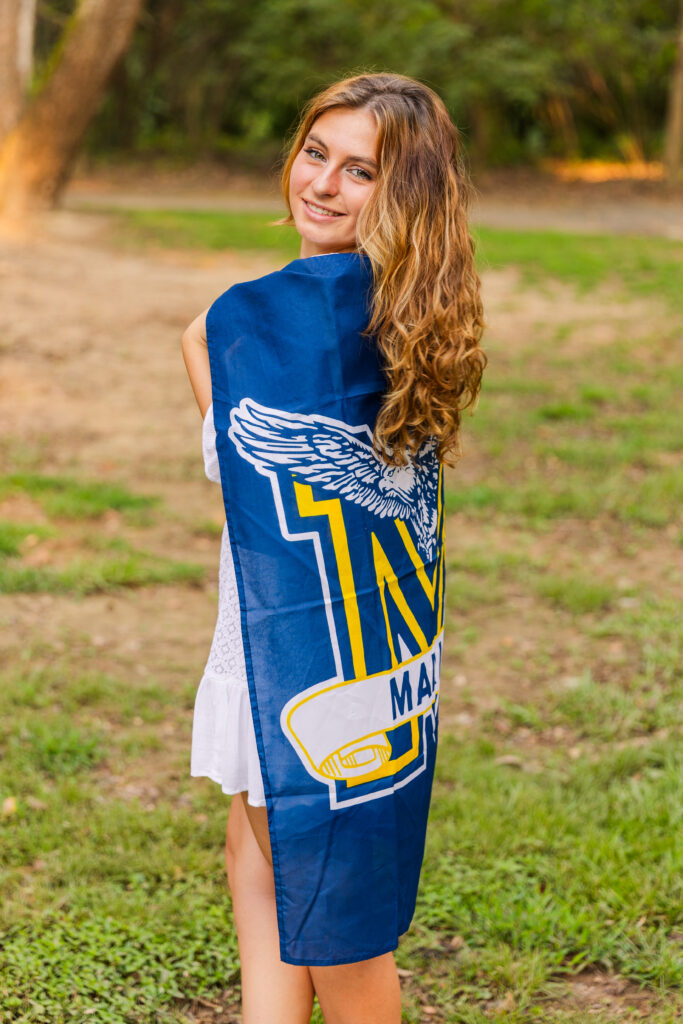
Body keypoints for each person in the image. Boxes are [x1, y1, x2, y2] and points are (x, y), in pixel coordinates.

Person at [182, 72, 486, 1024]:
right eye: (315, 153)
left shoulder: (255, 324)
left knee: (331, 910)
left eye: (360, 171)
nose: (320, 183)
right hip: (338, 648)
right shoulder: (416, 315)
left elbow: (241, 462)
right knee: (256, 844)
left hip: (301, 657)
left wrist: (208, 340)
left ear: (405, 197)